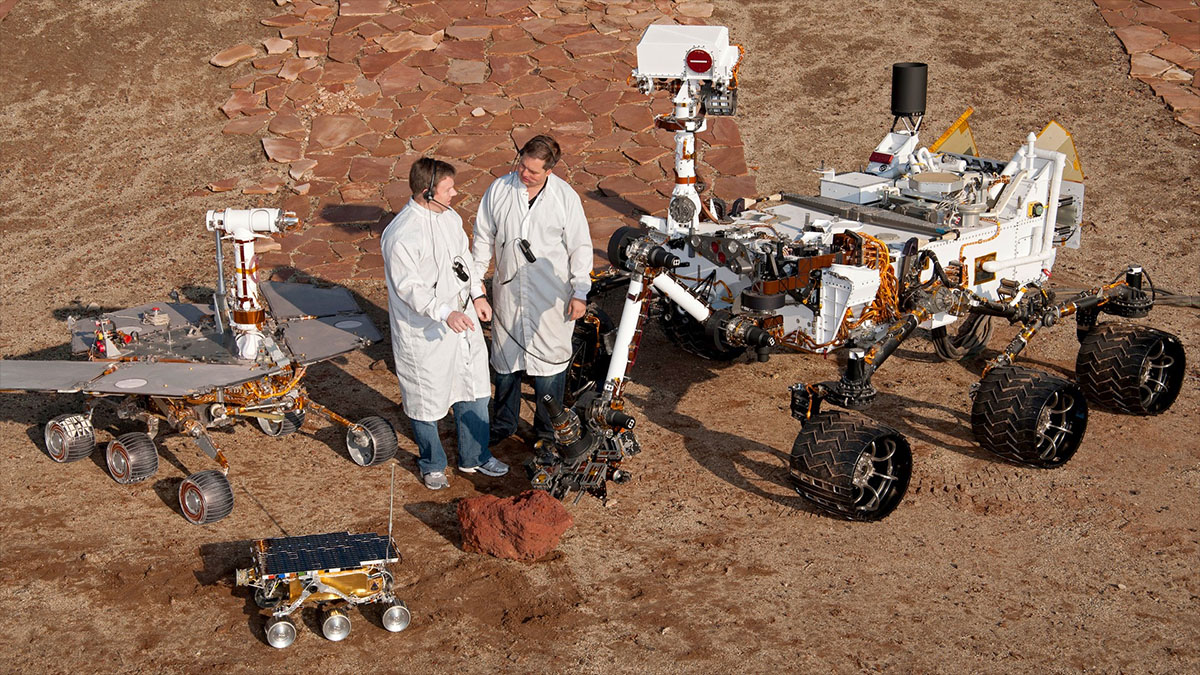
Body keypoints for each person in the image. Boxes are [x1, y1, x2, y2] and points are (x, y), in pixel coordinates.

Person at [380, 157, 509, 490]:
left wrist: (478, 295)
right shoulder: (401, 235)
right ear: (428, 192)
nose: (455, 193)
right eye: (448, 188)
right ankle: (432, 462)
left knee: (475, 388)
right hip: (425, 334)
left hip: (461, 322)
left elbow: (462, 264)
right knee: (426, 400)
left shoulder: (450, 218)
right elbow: (410, 289)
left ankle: (475, 456)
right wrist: (444, 313)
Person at [471, 134, 593, 448]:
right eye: (523, 165)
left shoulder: (565, 198)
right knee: (506, 363)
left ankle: (546, 430)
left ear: (550, 171)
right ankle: (504, 424)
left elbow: (580, 246)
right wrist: (477, 288)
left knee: (549, 366)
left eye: (534, 171)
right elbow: (483, 240)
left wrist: (580, 291)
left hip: (551, 298)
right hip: (509, 294)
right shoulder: (498, 190)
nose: (525, 174)